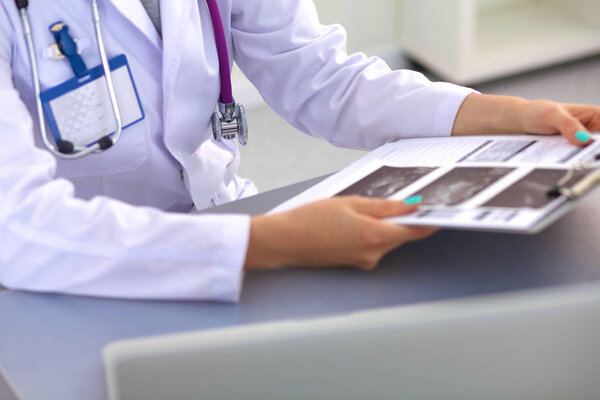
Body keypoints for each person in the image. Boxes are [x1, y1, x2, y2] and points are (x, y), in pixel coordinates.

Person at [1, 0, 599, 301]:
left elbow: (319, 78)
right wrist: (274, 241)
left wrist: (499, 113)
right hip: (75, 270)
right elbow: (18, 231)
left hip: (226, 219)